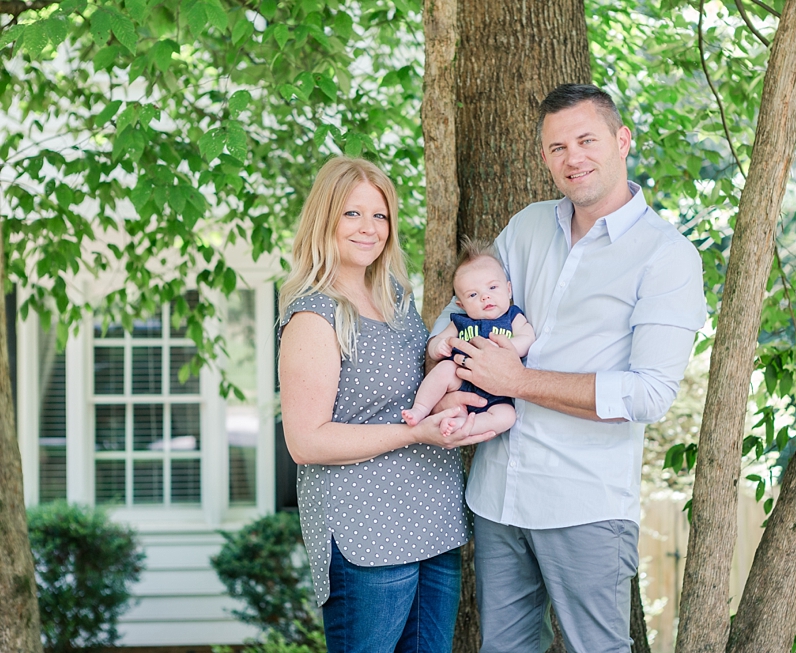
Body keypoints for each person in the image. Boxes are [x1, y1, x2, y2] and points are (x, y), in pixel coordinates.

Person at [432, 84, 707, 653]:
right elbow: (460, 307)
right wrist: (444, 350)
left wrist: (519, 382)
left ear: (622, 140)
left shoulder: (668, 256)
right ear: (544, 157)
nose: (573, 157)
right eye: (557, 147)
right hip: (496, 496)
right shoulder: (529, 226)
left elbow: (650, 394)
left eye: (586, 140)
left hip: (583, 502)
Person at [277, 156, 496, 653]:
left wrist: (446, 375)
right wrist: (416, 432)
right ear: (325, 218)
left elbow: (399, 389)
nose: (369, 228)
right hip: (368, 533)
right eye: (352, 214)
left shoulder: (393, 293)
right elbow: (306, 440)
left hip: (434, 520)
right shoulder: (314, 314)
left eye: (380, 216)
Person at [402, 238, 535, 436]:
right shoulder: (460, 321)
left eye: (492, 288)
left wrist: (507, 347)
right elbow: (437, 341)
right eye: (473, 295)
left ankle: (465, 425)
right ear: (461, 305)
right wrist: (439, 346)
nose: (485, 297)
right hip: (462, 380)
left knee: (507, 416)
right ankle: (420, 409)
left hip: (498, 393)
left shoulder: (512, 317)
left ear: (508, 290)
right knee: (445, 369)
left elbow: (527, 336)